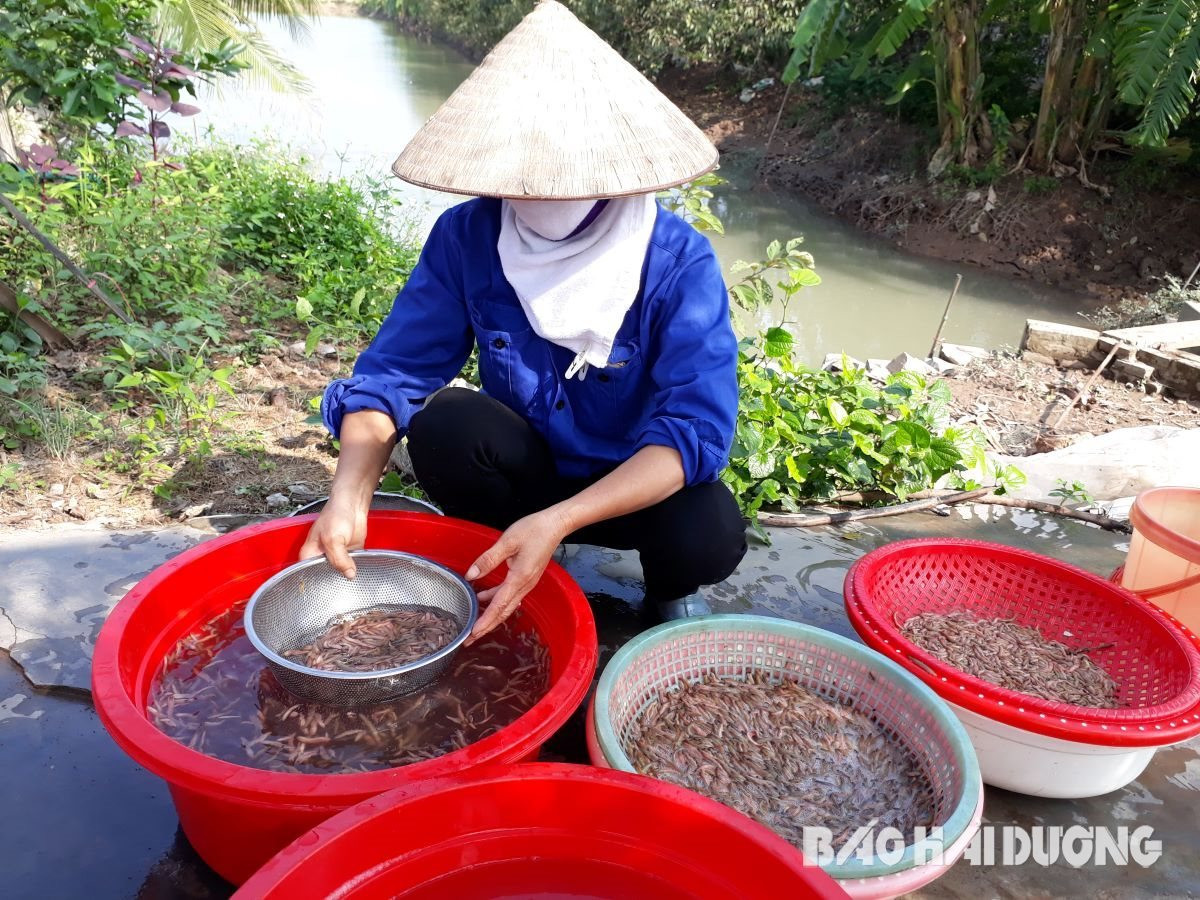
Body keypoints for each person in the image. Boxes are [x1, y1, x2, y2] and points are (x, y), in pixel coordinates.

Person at [301, 0, 747, 641]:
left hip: (629, 487)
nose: (532, 193)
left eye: (555, 177)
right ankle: (513, 547)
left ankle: (659, 590)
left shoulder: (676, 261)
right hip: (528, 473)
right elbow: (393, 374)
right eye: (517, 175)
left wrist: (565, 519)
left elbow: (696, 428)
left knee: (708, 532)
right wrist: (348, 496)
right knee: (447, 423)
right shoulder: (470, 235)